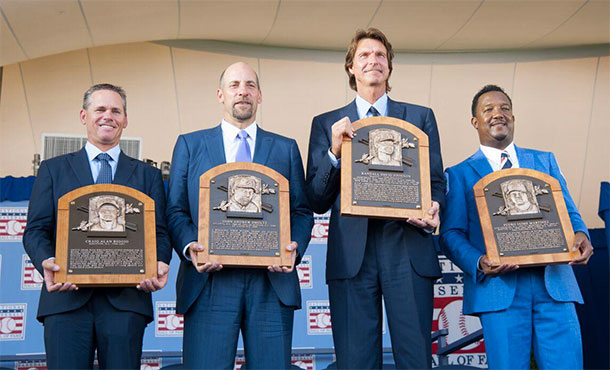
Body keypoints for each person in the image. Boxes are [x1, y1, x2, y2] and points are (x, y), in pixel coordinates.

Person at [305, 28, 445, 369]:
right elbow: (317, 198)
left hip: (408, 248)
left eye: (380, 55)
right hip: (353, 257)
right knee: (355, 361)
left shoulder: (420, 117)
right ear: (351, 67)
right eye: (365, 55)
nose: (373, 61)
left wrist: (435, 208)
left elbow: (437, 182)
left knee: (415, 358)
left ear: (389, 66)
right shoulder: (326, 124)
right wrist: (334, 152)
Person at [166, 62, 313, 369]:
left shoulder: (285, 148)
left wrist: (294, 248)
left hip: (270, 283)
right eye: (234, 85)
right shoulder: (190, 145)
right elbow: (176, 210)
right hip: (209, 283)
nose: (242, 92)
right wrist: (191, 245)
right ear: (220, 95)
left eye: (249, 85)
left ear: (260, 95)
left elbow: (301, 211)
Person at [440, 84, 593, 369]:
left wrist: (581, 233)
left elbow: (568, 210)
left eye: (505, 108)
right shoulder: (459, 174)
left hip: (554, 284)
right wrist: (479, 261)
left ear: (513, 117)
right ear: (475, 122)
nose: (498, 114)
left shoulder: (544, 160)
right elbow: (450, 234)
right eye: (488, 110)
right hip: (501, 290)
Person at [23, 83, 172, 369]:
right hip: (66, 301)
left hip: (126, 302)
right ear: (84, 116)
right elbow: (35, 230)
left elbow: (160, 233)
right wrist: (48, 260)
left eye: (116, 111)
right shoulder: (53, 169)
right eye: (100, 109)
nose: (108, 116)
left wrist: (160, 262)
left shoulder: (148, 175)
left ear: (125, 120)